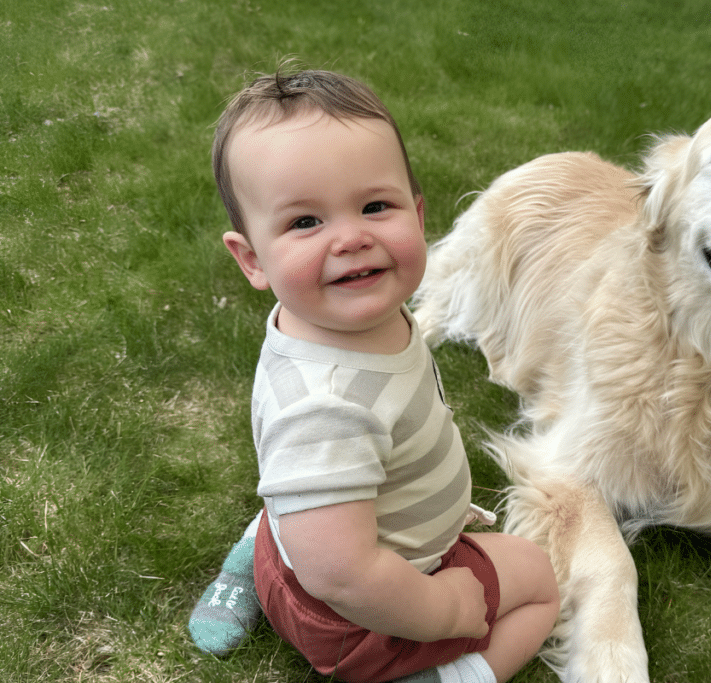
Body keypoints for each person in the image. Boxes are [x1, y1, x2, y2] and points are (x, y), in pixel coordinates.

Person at [188, 69, 559, 683]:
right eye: (306, 222)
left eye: (375, 207)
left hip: (299, 549)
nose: (353, 239)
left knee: (309, 502)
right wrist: (441, 608)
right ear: (253, 259)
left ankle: (248, 567)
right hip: (361, 615)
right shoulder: (324, 410)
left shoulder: (333, 314)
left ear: (416, 213)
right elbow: (342, 575)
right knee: (540, 581)